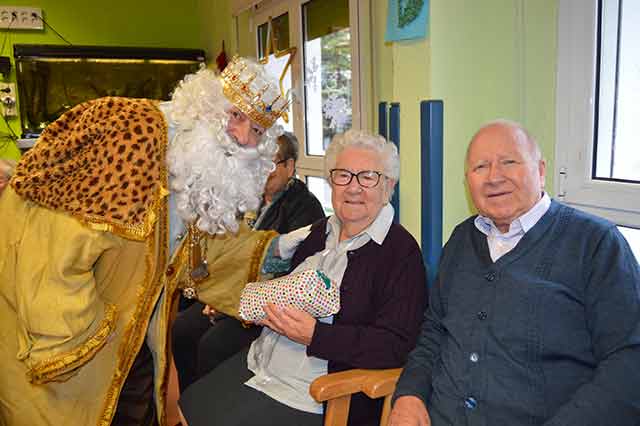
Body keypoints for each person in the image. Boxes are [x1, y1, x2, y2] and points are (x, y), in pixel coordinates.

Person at [0, 55, 296, 426]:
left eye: (255, 130)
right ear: (209, 103)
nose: (242, 137)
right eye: (236, 116)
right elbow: (48, 237)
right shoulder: (128, 132)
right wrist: (78, 334)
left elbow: (198, 250)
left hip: (131, 339)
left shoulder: (193, 163)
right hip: (65, 343)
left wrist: (274, 249)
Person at [389, 120, 640, 426]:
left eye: (509, 162)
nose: (494, 177)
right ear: (468, 180)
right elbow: (433, 331)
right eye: (481, 166)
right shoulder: (461, 240)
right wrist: (409, 395)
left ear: (541, 171)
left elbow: (629, 364)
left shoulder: (597, 244)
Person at [177, 129, 428, 426]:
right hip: (263, 362)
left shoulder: (401, 254)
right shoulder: (317, 231)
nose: (353, 188)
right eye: (343, 175)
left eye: (368, 177)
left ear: (389, 186)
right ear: (331, 182)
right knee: (189, 404)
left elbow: (396, 345)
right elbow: (284, 287)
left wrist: (316, 336)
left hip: (317, 392)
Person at [171, 131, 325, 392]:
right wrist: (217, 294)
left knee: (212, 346)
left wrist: (229, 300)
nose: (264, 171)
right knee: (182, 330)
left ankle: (214, 412)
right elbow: (224, 253)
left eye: (272, 163)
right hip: (226, 295)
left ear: (290, 166)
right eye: (259, 163)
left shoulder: (305, 209)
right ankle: (191, 405)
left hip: (266, 309)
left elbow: (289, 274)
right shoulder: (246, 199)